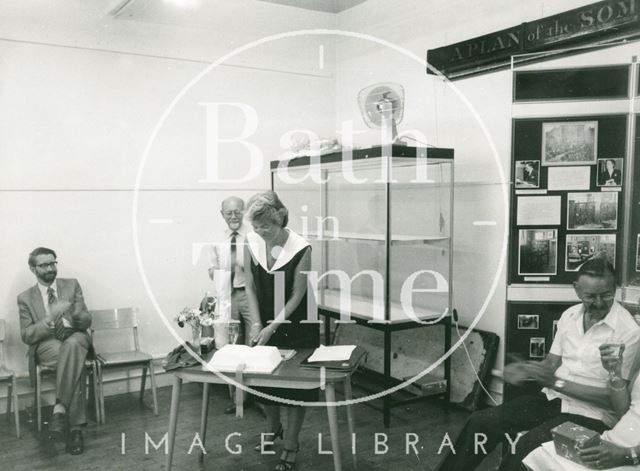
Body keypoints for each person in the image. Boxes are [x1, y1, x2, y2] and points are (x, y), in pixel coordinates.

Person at [435, 259, 640, 471]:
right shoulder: (569, 316)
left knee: (527, 446)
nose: (598, 302)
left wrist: (556, 382)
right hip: (554, 400)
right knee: (481, 422)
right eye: (590, 296)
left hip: (593, 416)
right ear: (577, 290)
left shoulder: (629, 331)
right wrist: (525, 369)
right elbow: (551, 363)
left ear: (615, 288)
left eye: (606, 295)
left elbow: (614, 398)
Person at [244, 191, 319, 471]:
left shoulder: (301, 248)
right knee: (265, 377)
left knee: (294, 384)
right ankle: (273, 428)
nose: (262, 232)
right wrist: (256, 322)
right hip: (264, 315)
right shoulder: (251, 241)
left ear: (281, 220)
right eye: (257, 226)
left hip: (297, 320)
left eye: (268, 226)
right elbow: (250, 285)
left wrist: (273, 326)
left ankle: (292, 444)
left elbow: (297, 295)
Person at [17, 247, 93, 455]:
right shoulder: (25, 298)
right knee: (73, 360)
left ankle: (59, 410)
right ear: (33, 269)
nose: (50, 268)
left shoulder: (71, 284)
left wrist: (77, 315)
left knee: (73, 346)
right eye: (44, 265)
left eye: (53, 263)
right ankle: (76, 430)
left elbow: (87, 320)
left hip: (75, 336)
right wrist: (50, 318)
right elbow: (27, 335)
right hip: (48, 342)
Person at [523, 339, 640, 470]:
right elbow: (624, 411)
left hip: (631, 456)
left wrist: (628, 455)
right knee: (541, 454)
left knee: (534, 447)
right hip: (612, 441)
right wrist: (614, 371)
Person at [208, 195, 261, 415]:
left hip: (249, 296)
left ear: (244, 212)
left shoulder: (254, 236)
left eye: (237, 211)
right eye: (228, 213)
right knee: (231, 346)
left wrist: (245, 265)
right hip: (228, 297)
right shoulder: (217, 240)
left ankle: (260, 398)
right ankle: (238, 399)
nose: (233, 216)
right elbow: (211, 270)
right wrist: (222, 271)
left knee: (255, 343)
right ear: (222, 215)